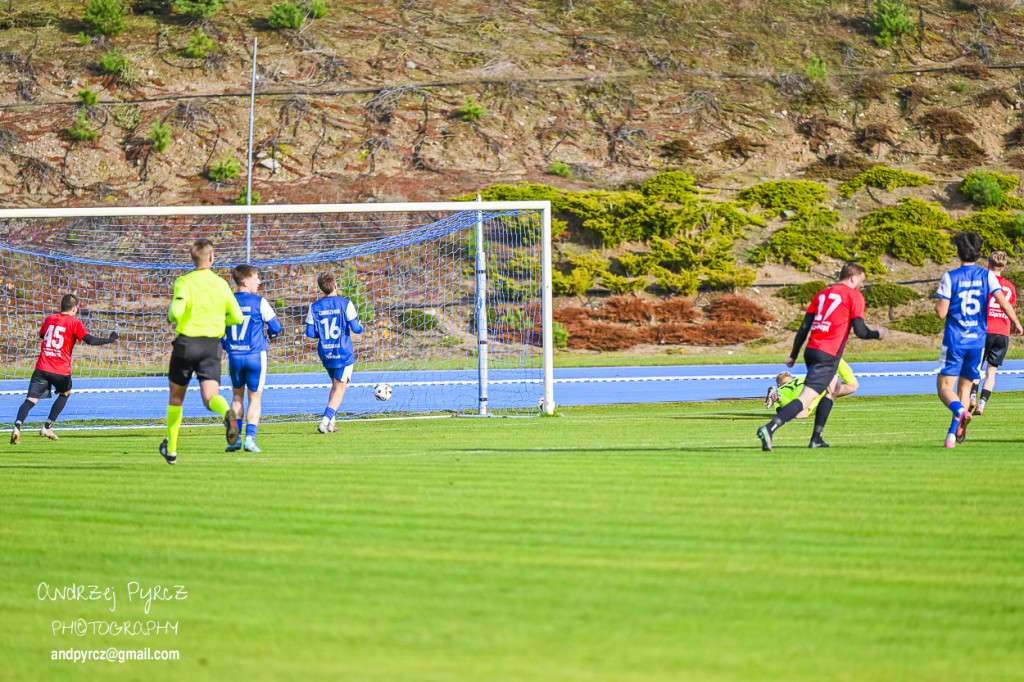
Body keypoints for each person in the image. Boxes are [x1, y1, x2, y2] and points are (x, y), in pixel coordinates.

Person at [757, 263, 886, 451]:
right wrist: (877, 334)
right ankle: (769, 428)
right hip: (829, 353)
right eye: (861, 280)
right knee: (806, 399)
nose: (862, 285)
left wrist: (793, 355)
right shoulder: (853, 296)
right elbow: (860, 330)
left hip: (812, 351)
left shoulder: (821, 295)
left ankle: (816, 438)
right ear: (853, 278)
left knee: (832, 389)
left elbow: (804, 327)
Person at [161, 239, 245, 465]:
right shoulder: (221, 284)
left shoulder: (184, 282)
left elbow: (176, 313)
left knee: (176, 399)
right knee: (210, 398)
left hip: (187, 344)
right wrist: (217, 318)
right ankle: (228, 413)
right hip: (212, 345)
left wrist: (174, 314)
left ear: (193, 258)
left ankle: (172, 449)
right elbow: (237, 317)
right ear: (211, 258)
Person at [935, 233, 1022, 448]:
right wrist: (1017, 323)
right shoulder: (988, 277)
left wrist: (941, 303)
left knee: (944, 387)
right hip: (977, 341)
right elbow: (1004, 303)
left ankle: (960, 411)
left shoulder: (950, 277)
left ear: (958, 252)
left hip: (956, 339)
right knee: (965, 388)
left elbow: (941, 313)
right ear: (979, 253)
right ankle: (951, 436)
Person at [9, 294, 118, 444]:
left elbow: (43, 336)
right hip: (60, 369)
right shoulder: (75, 323)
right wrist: (110, 339)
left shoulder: (50, 319)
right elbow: (90, 340)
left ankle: (17, 427)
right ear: (75, 308)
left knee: (31, 399)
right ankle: (47, 427)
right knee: (65, 392)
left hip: (41, 367)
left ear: (61, 307)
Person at [222, 264, 283, 454]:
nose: (260, 282)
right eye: (257, 278)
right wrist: (270, 333)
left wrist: (226, 346)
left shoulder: (226, 302)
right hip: (255, 356)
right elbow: (276, 327)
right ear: (246, 281)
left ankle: (234, 440)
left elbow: (216, 330)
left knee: (237, 397)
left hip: (235, 357)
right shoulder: (259, 302)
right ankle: (249, 439)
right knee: (255, 398)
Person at [305, 272, 363, 433]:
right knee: (340, 388)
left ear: (321, 289)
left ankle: (332, 423)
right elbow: (356, 329)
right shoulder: (346, 304)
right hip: (343, 353)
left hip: (326, 352)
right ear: (336, 285)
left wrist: (322, 335)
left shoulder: (314, 307)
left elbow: (309, 333)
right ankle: (324, 422)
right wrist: (361, 325)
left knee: (335, 386)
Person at [969, 251, 1017, 416]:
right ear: (1003, 268)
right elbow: (1009, 307)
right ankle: (982, 405)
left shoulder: (983, 282)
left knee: (976, 368)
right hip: (1002, 332)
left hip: (984, 330)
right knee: (991, 372)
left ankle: (972, 397)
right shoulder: (1010, 287)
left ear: (988, 264)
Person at [765, 359, 858, 418]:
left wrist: (779, 400)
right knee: (852, 386)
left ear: (779, 385)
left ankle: (779, 397)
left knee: (799, 414)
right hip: (818, 386)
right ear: (791, 378)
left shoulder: (780, 389)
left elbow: (781, 412)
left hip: (804, 396)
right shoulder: (800, 378)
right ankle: (837, 358)